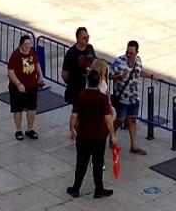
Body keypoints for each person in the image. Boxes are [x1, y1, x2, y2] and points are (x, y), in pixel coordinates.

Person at [67, 71, 114, 199]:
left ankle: (76, 188)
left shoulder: (81, 95)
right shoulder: (102, 98)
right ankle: (99, 189)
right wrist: (113, 135)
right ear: (99, 82)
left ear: (87, 81)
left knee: (81, 163)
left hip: (83, 136)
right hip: (99, 137)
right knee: (98, 163)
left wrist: (72, 130)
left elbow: (74, 115)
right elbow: (108, 118)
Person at [109, 40, 152, 156]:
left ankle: (134, 146)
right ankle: (112, 136)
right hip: (121, 98)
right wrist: (120, 76)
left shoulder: (138, 61)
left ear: (136, 52)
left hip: (133, 97)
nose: (128, 55)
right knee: (119, 120)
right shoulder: (119, 61)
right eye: (127, 52)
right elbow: (110, 75)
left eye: (131, 53)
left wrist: (151, 76)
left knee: (132, 120)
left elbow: (139, 72)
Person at [7, 34, 41, 141]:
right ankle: (18, 130)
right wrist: (18, 84)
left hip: (32, 85)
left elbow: (36, 64)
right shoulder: (15, 55)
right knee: (18, 109)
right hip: (17, 88)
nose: (27, 46)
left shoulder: (32, 52)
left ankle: (30, 129)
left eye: (29, 44)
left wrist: (40, 76)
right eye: (25, 44)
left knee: (32, 108)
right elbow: (10, 72)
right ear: (20, 45)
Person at [62, 26, 96, 93]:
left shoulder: (90, 48)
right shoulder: (71, 53)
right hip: (76, 90)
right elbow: (64, 75)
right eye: (84, 38)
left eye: (88, 37)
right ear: (78, 38)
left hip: (89, 88)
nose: (87, 39)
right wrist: (72, 84)